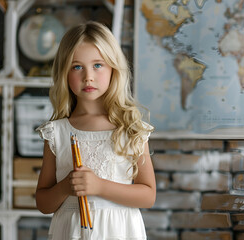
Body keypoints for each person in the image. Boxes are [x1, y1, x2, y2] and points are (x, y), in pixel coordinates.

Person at [35, 21, 156, 240]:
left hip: (120, 232)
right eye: (77, 66)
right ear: (64, 72)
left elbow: (148, 195)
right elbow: (43, 203)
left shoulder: (130, 128)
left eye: (98, 65)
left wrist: (99, 186)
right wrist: (65, 187)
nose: (88, 76)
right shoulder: (57, 132)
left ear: (113, 68)